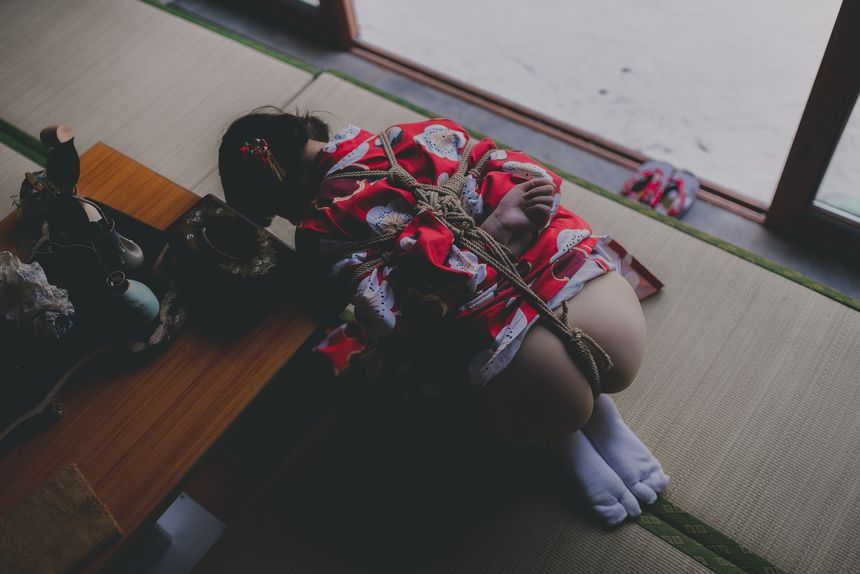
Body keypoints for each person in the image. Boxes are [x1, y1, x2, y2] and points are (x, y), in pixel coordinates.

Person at [218, 107, 669, 525]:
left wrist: (475, 241)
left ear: (279, 193)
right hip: (604, 309)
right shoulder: (409, 135)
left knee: (389, 378)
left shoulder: (319, 230)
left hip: (523, 374)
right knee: (538, 283)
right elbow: (519, 176)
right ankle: (595, 411)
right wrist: (493, 221)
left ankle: (563, 434)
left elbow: (394, 316)